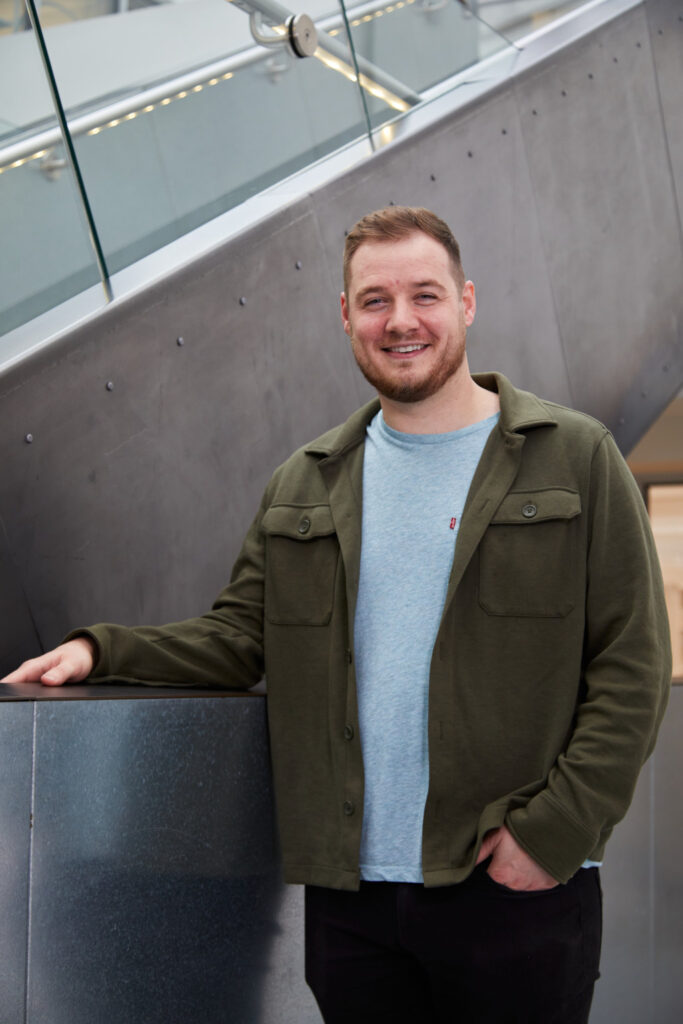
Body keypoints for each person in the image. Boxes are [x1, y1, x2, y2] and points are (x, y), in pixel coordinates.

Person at [3, 207, 671, 1024]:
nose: (400, 321)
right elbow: (238, 638)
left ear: (465, 303)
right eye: (373, 300)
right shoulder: (306, 481)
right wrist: (96, 651)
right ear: (345, 316)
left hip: (511, 883)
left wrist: (553, 833)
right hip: (351, 901)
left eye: (423, 295)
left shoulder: (574, 455)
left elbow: (631, 664)